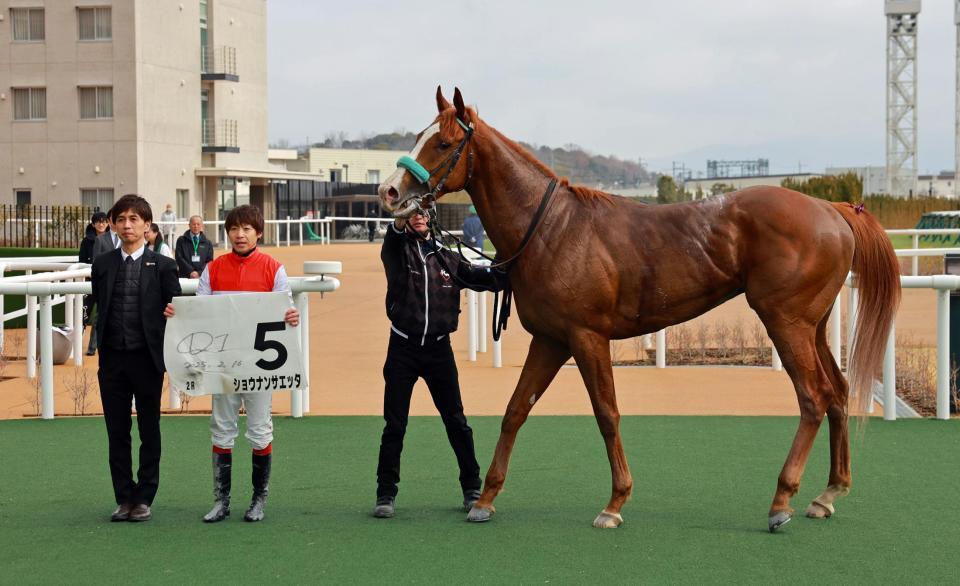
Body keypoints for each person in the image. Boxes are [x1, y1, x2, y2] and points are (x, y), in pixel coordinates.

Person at [373, 208, 507, 519]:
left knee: (457, 421)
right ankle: (385, 492)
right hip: (402, 348)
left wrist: (510, 266)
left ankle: (472, 487)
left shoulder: (449, 257)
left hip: (438, 351)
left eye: (422, 212)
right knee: (395, 425)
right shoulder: (397, 250)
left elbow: (484, 279)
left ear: (431, 217)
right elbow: (393, 235)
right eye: (411, 213)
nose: (417, 217)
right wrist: (400, 214)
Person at [192, 205, 300, 523]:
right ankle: (221, 501)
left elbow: (285, 309)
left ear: (259, 232)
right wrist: (179, 314)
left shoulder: (273, 268)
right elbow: (199, 310)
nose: (240, 234)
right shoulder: (214, 268)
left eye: (247, 228)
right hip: (223, 364)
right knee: (222, 430)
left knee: (259, 430)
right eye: (234, 228)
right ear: (227, 232)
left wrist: (290, 316)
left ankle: (258, 500)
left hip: (259, 367)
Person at [90, 194, 181, 522]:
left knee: (149, 427)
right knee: (116, 430)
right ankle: (123, 497)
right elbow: (99, 304)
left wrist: (172, 313)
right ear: (113, 225)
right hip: (112, 359)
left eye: (134, 219)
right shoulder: (102, 264)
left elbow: (178, 311)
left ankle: (144, 496)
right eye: (121, 220)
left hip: (147, 360)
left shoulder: (164, 266)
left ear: (147, 225)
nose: (127, 225)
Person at [80, 212, 109, 356]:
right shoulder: (87, 241)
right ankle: (75, 347)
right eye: (98, 222)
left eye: (104, 221)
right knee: (83, 314)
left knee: (100, 316)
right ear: (93, 224)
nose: (101, 224)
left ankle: (92, 348)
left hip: (105, 283)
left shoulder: (113, 239)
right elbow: (82, 261)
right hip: (89, 281)